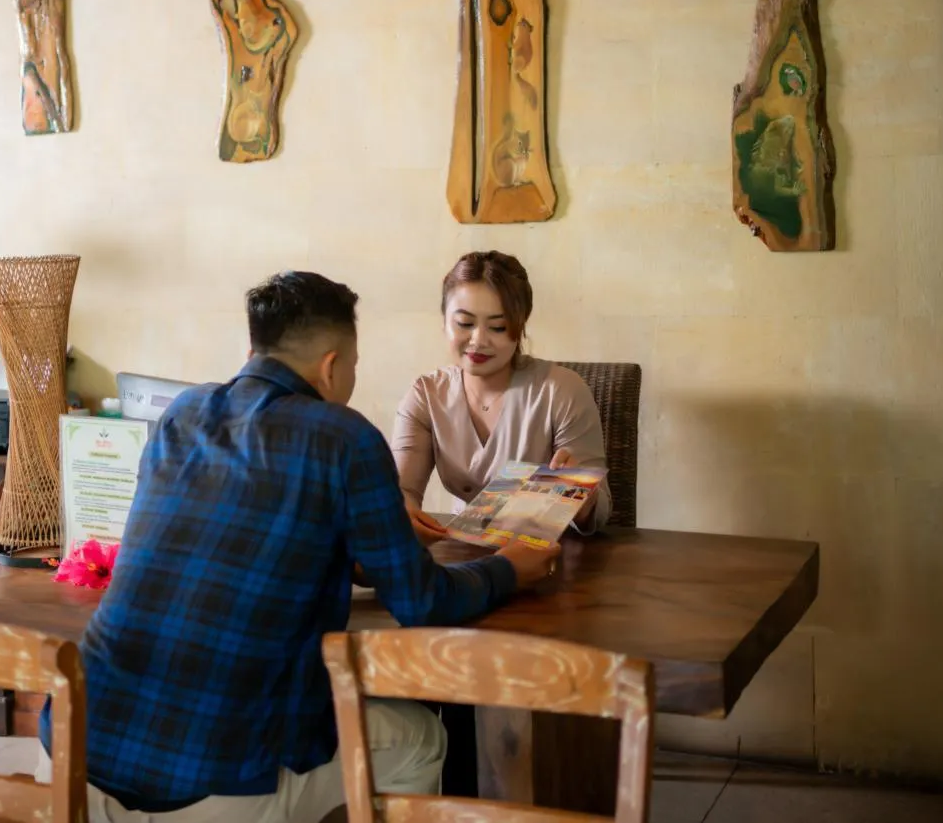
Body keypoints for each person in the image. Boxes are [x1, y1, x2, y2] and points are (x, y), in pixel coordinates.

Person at [38, 270, 560, 823]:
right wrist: (508, 569)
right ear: (332, 365)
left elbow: (233, 534)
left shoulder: (181, 414)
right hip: (216, 780)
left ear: (251, 349)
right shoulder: (345, 434)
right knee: (422, 736)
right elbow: (424, 603)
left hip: (74, 755)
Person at [391, 250, 611, 796]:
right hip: (468, 562)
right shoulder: (425, 393)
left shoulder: (561, 389)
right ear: (444, 320)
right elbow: (402, 490)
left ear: (521, 329)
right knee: (424, 655)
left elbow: (600, 503)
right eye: (464, 323)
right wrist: (405, 511)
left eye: (498, 327)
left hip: (549, 574)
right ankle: (450, 794)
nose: (478, 342)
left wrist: (577, 495)